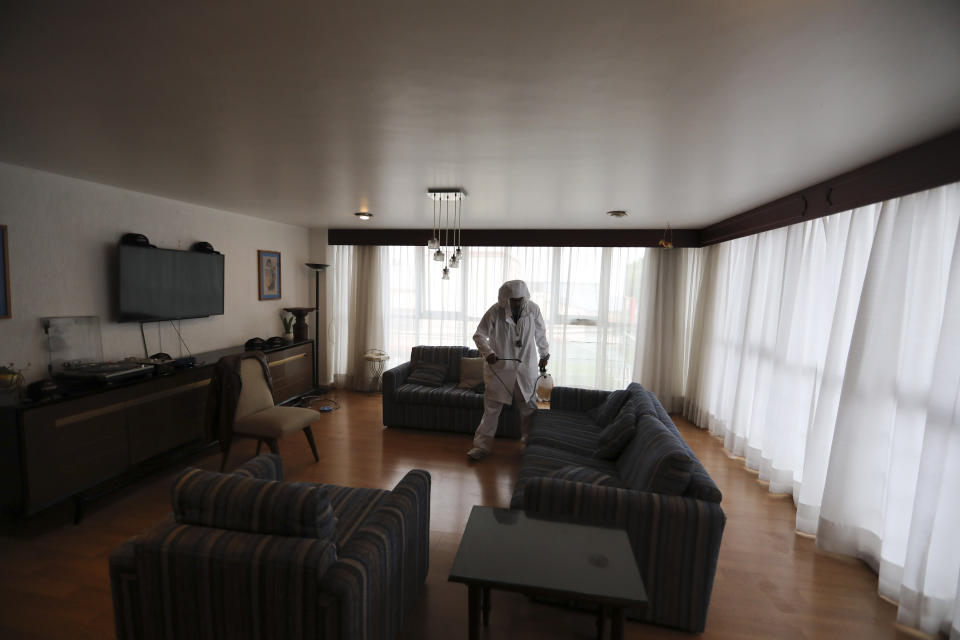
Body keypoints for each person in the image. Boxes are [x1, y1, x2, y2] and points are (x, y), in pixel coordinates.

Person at [467, 280, 549, 460]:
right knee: (491, 411)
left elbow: (541, 334)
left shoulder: (533, 310)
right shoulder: (494, 312)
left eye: (520, 299)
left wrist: (544, 353)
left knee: (529, 409)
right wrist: (487, 353)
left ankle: (529, 446)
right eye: (514, 300)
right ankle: (481, 447)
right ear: (505, 299)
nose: (518, 303)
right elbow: (479, 335)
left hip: (525, 369)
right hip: (500, 370)